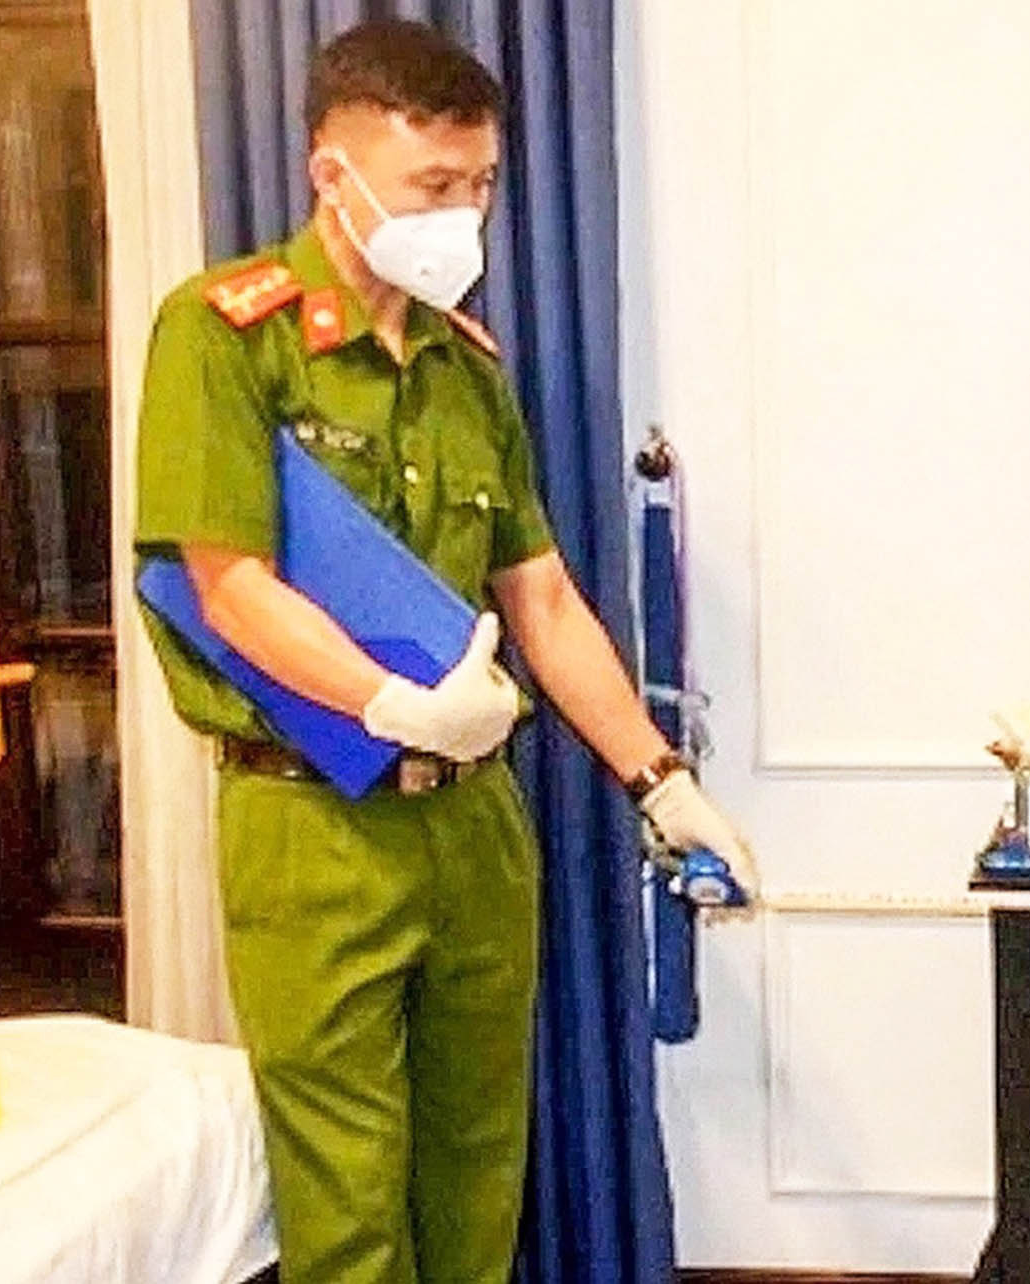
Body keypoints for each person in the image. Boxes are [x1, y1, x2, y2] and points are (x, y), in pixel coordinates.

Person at [132, 20, 754, 1284]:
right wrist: (392, 704)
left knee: (480, 1176)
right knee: (348, 1204)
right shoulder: (223, 333)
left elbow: (543, 600)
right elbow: (227, 581)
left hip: (475, 831)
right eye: (432, 185)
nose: (462, 214)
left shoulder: (465, 370)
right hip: (315, 833)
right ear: (332, 170)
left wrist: (659, 779)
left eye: (479, 186)